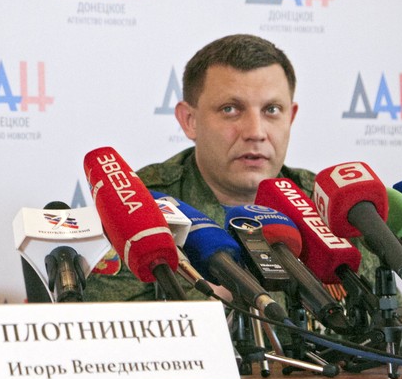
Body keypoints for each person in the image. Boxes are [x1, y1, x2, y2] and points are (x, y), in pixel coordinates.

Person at [85, 33, 376, 301]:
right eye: (230, 109)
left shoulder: (333, 208)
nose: (255, 131)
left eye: (271, 110)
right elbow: (111, 341)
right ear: (189, 120)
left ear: (291, 116)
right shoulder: (138, 209)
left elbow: (393, 338)